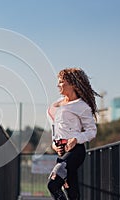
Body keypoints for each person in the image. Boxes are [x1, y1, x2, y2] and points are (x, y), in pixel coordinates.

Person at [47, 67, 100, 200]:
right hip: (62, 152)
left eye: (61, 82)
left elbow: (91, 131)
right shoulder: (56, 105)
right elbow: (55, 128)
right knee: (72, 192)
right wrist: (54, 144)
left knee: (53, 184)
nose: (57, 85)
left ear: (73, 84)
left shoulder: (81, 106)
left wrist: (76, 139)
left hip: (75, 151)